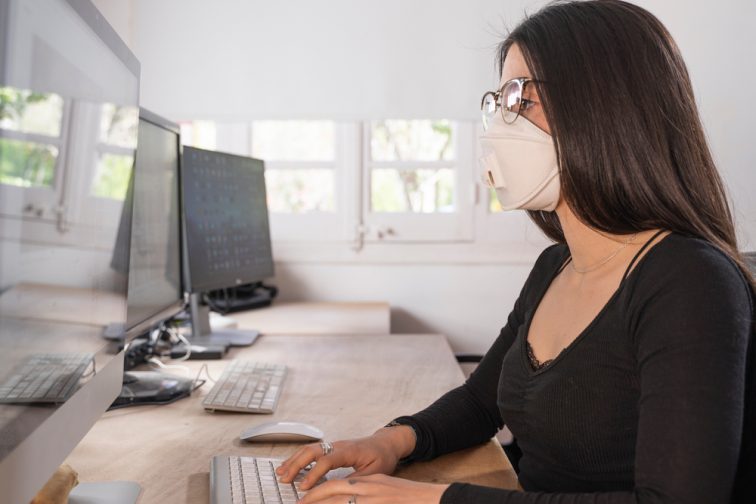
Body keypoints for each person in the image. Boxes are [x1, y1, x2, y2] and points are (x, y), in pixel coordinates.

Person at [276, 0, 755, 502]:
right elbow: (482, 402)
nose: (501, 122)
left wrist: (433, 499)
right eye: (499, 99)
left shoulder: (690, 282)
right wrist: (391, 441)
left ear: (605, 104)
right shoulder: (557, 265)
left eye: (520, 98)